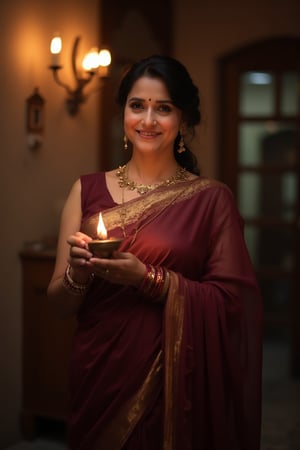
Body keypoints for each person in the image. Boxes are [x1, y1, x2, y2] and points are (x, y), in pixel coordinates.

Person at [47, 55, 263, 450]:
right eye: (137, 105)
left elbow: (235, 304)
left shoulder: (210, 199)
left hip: (176, 381)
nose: (147, 121)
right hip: (100, 373)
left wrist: (148, 279)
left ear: (184, 120)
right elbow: (59, 305)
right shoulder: (86, 189)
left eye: (163, 108)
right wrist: (79, 275)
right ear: (123, 114)